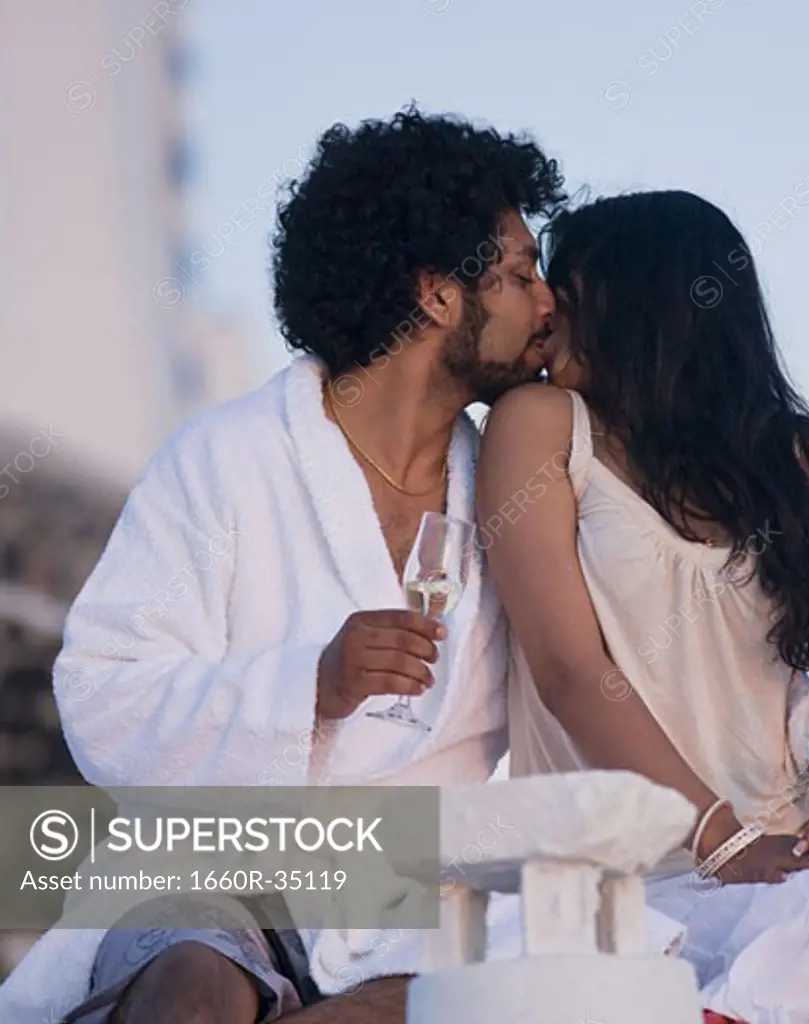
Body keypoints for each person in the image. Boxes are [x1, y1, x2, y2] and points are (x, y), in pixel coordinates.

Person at [0, 105, 567, 1024]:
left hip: (408, 902)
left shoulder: (513, 490)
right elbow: (103, 693)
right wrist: (309, 685)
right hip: (218, 874)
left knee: (459, 998)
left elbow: (601, 675)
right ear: (437, 294)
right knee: (194, 989)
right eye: (520, 275)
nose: (549, 303)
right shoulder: (229, 460)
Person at [477, 189, 809, 1022]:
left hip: (794, 860)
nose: (545, 307)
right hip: (636, 873)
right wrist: (722, 840)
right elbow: (570, 670)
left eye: (569, 288)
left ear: (643, 309)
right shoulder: (542, 426)